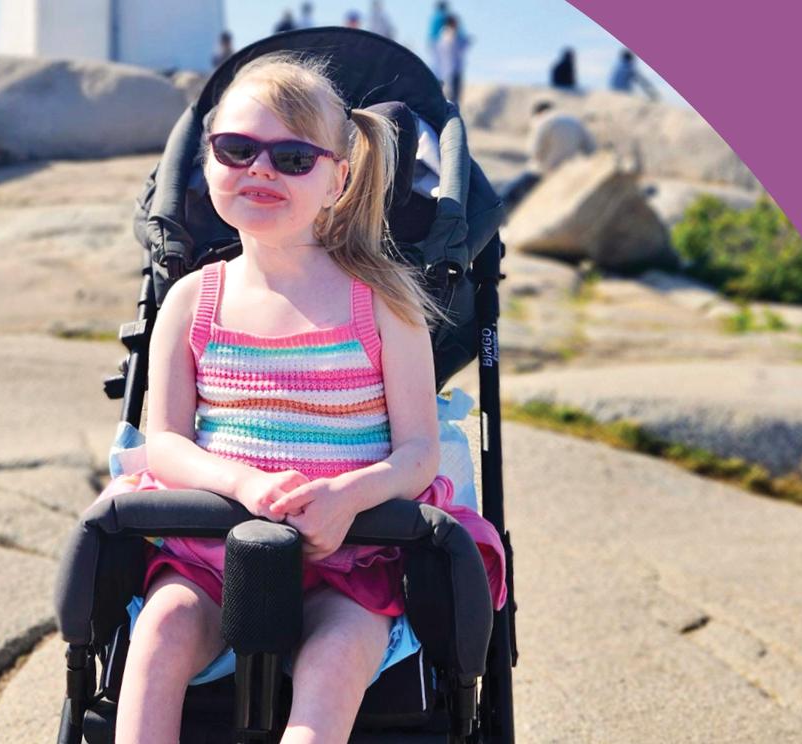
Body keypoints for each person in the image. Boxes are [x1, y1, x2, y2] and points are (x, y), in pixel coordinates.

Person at [99, 53, 508, 744]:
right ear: (208, 161)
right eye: (237, 149)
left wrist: (348, 496)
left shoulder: (382, 304)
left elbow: (417, 453)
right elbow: (163, 442)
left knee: (335, 667)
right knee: (159, 635)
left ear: (338, 179)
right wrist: (243, 484)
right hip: (209, 553)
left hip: (352, 562)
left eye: (292, 157)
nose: (260, 169)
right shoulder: (193, 301)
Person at [433, 16, 467, 104]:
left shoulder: (444, 35)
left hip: (450, 69)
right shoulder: (449, 35)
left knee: (453, 95)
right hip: (450, 70)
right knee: (451, 96)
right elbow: (456, 50)